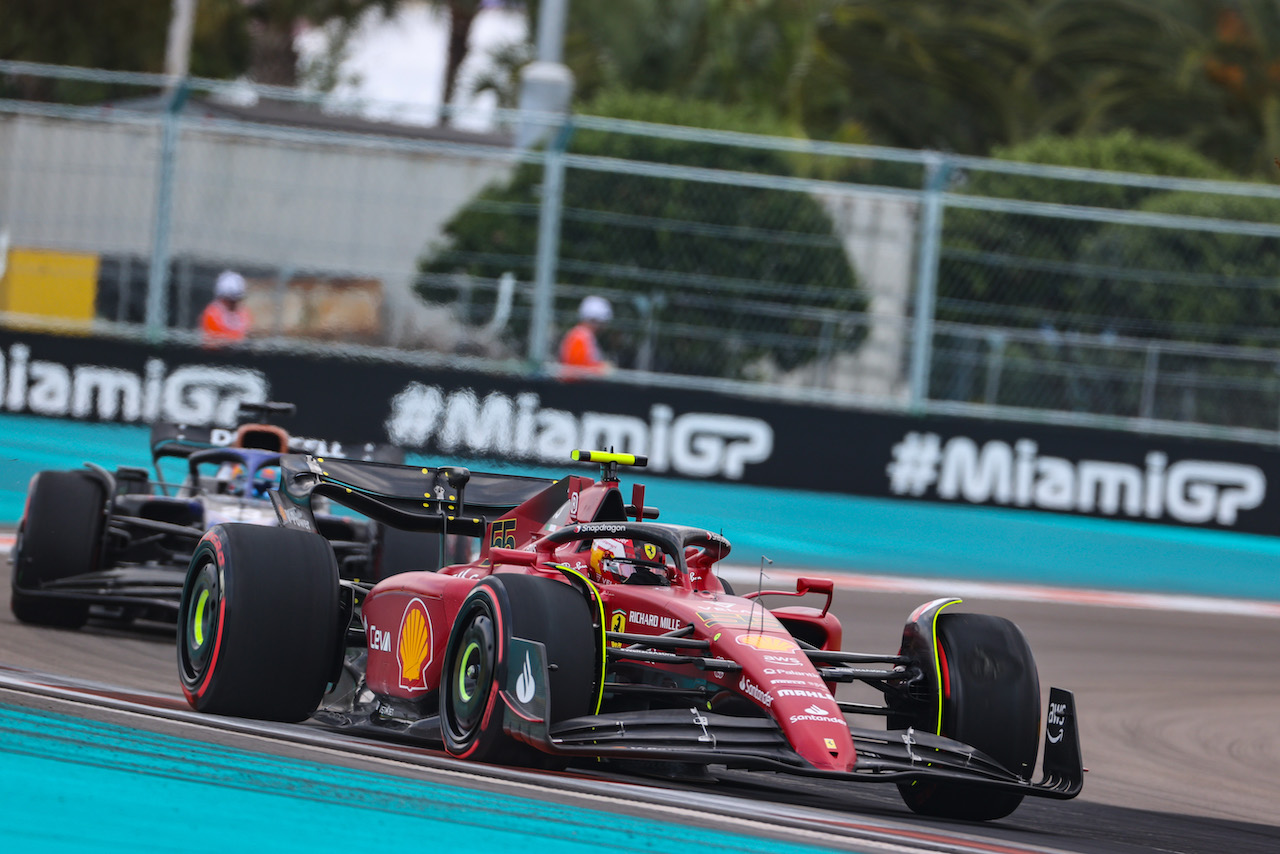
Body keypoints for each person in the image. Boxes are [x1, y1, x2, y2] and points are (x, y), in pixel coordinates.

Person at [558, 295, 613, 377]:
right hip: (576, 386)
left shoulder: (585, 335)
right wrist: (600, 369)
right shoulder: (580, 337)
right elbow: (577, 368)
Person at [200, 270, 251, 345]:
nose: (233, 303)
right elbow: (214, 342)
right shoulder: (212, 313)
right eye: (230, 300)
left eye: (236, 300)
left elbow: (246, 335)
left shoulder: (243, 313)